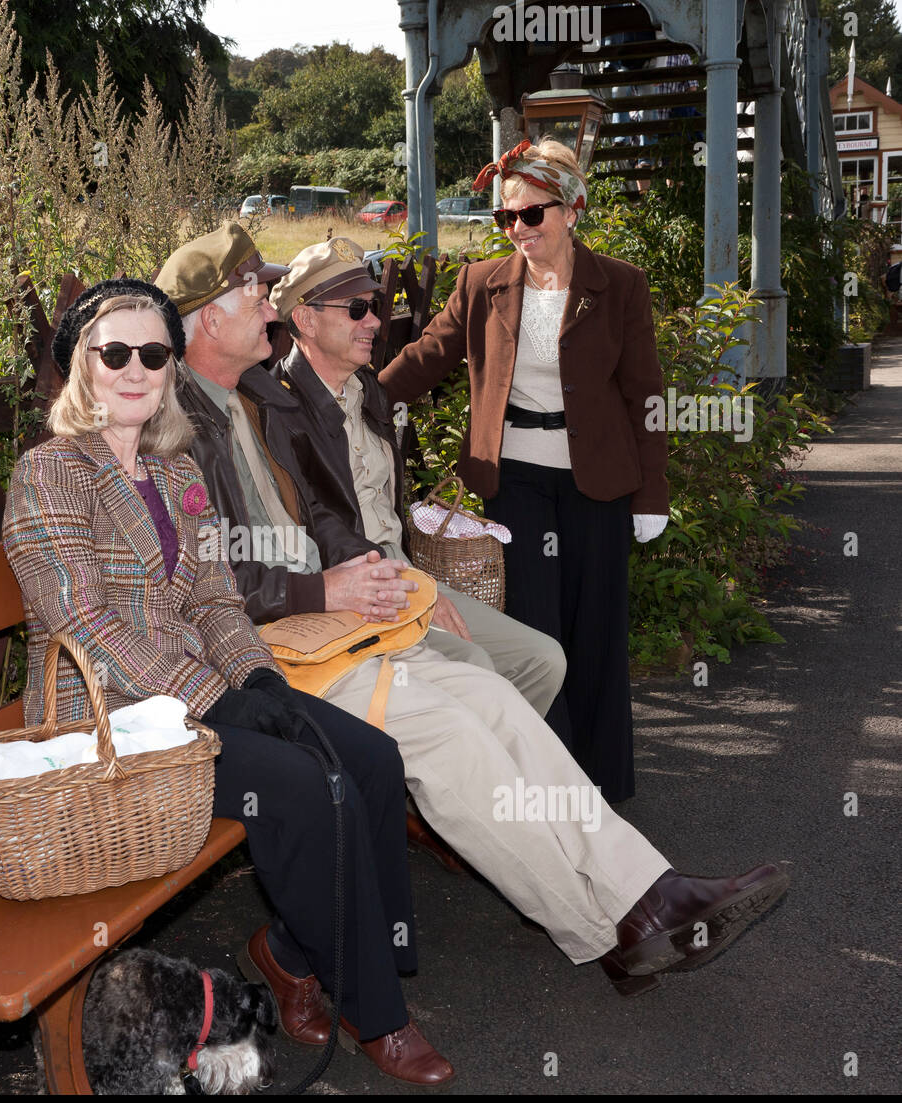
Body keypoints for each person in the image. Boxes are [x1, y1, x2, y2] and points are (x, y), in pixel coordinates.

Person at [156, 222, 788, 1000]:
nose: (268, 302)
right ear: (208, 318)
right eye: (254, 289)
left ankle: (646, 889)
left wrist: (375, 575)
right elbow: (202, 580)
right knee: (458, 734)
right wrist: (330, 587)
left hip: (331, 622)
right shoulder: (174, 425)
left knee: (497, 699)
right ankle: (610, 932)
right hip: (265, 653)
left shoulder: (251, 395)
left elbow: (319, 515)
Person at [1, 277, 454, 1086]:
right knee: (301, 785)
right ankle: (374, 1011)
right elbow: (85, 626)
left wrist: (260, 678)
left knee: (371, 758)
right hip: (106, 724)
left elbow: (214, 599)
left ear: (174, 366)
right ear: (83, 365)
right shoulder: (51, 473)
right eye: (116, 353)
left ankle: (328, 957)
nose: (136, 369)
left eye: (155, 353)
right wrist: (219, 699)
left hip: (191, 704)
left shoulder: (176, 471)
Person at [380, 137, 666, 804]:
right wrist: (355, 394)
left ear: (571, 209)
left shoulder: (619, 286)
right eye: (505, 218)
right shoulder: (483, 284)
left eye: (531, 215)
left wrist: (652, 492)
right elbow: (430, 355)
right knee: (537, 633)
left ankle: (604, 780)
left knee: (596, 629)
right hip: (514, 482)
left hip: (598, 481)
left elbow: (645, 396)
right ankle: (552, 781)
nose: (517, 229)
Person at [267, 235, 565, 716]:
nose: (375, 321)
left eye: (377, 305)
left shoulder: (369, 391)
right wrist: (401, 577)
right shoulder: (279, 411)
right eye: (358, 308)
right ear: (305, 318)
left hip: (405, 570)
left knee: (543, 659)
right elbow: (311, 522)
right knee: (477, 669)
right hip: (350, 588)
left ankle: (489, 773)